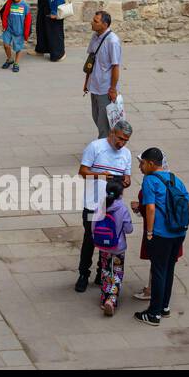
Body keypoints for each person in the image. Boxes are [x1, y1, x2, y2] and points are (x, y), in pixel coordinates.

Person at [133, 147, 189, 326]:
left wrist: (149, 232)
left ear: (151, 163)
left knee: (158, 271)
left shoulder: (150, 180)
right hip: (179, 232)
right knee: (169, 269)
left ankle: (153, 314)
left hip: (160, 233)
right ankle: (164, 306)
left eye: (142, 163)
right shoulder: (175, 179)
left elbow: (150, 208)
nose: (140, 167)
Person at [75, 120, 133, 293]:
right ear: (112, 133)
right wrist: (101, 175)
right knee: (90, 238)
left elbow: (127, 176)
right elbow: (82, 172)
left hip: (112, 206)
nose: (122, 143)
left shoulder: (126, 154)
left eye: (126, 140)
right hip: (93, 204)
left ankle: (102, 272)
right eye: (120, 138)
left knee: (108, 238)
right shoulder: (95, 147)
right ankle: (83, 273)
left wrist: (126, 181)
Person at [94, 177, 134, 316]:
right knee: (117, 272)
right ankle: (111, 300)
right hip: (118, 247)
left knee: (105, 271)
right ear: (121, 193)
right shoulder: (122, 208)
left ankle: (103, 298)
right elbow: (129, 229)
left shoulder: (100, 205)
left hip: (103, 247)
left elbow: (93, 225)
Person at [83, 11, 122, 140]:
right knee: (96, 117)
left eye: (96, 21)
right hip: (94, 85)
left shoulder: (113, 41)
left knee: (103, 123)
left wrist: (113, 89)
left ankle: (104, 152)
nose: (92, 23)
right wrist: (86, 82)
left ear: (105, 24)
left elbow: (115, 66)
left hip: (105, 88)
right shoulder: (95, 36)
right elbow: (91, 60)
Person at [0, 0, 31, 73]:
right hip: (9, 29)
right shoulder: (9, 3)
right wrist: (4, 25)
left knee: (18, 48)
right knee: (6, 45)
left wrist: (26, 33)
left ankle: (16, 63)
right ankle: (9, 59)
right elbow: (4, 14)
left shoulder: (25, 6)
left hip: (19, 31)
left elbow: (28, 21)